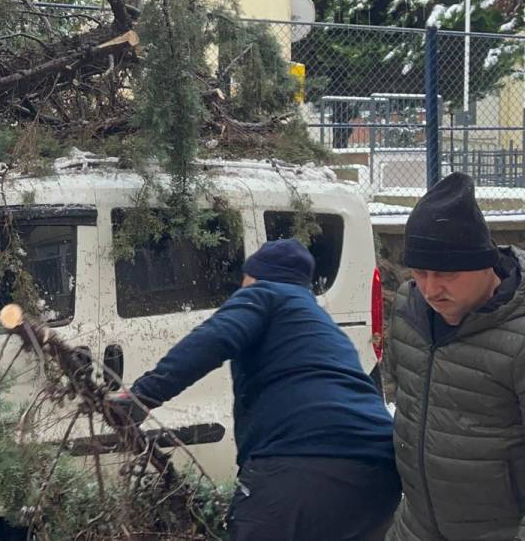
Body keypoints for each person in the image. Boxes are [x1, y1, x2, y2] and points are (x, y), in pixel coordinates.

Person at [110, 239, 399, 541]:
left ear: (254, 276)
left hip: (303, 462)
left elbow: (212, 339)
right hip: (379, 473)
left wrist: (140, 397)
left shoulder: (264, 295)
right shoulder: (321, 324)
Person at [383, 172, 525, 541]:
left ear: (484, 263)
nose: (431, 288)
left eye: (446, 274)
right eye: (420, 272)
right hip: (415, 526)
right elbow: (407, 407)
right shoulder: (407, 306)